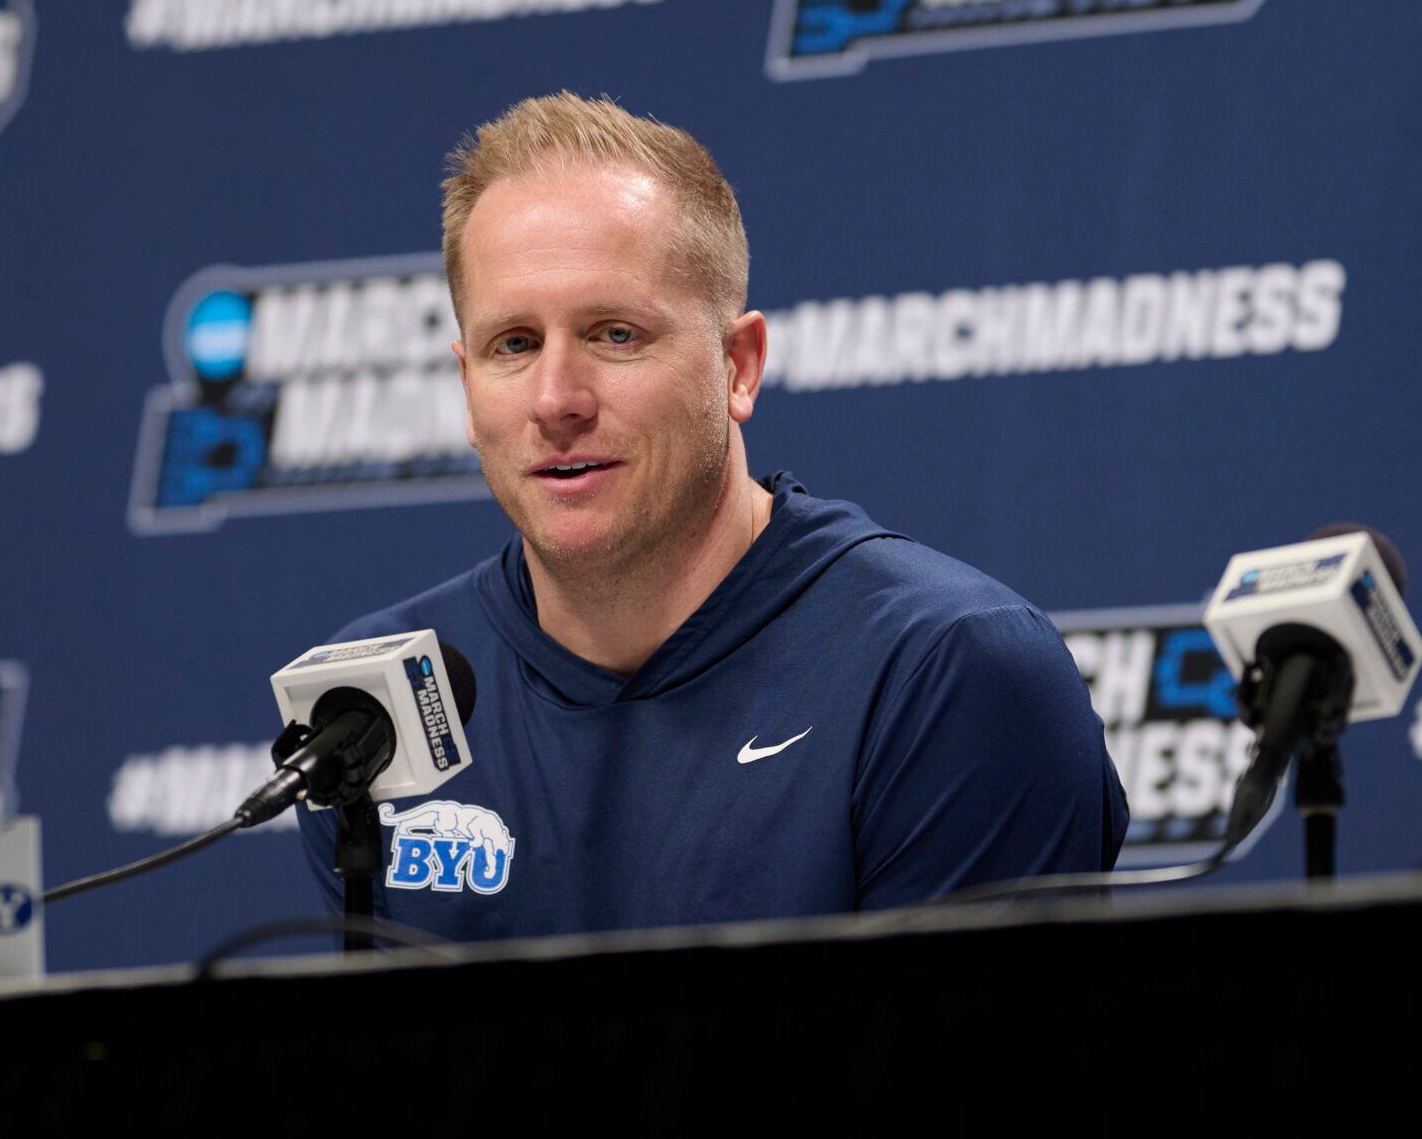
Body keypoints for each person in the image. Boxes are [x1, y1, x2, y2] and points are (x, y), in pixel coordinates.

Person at [298, 92, 1127, 938]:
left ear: (738, 366)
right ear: (465, 385)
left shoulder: (945, 674)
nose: (556, 400)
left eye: (615, 334)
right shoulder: (369, 715)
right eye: (512, 344)